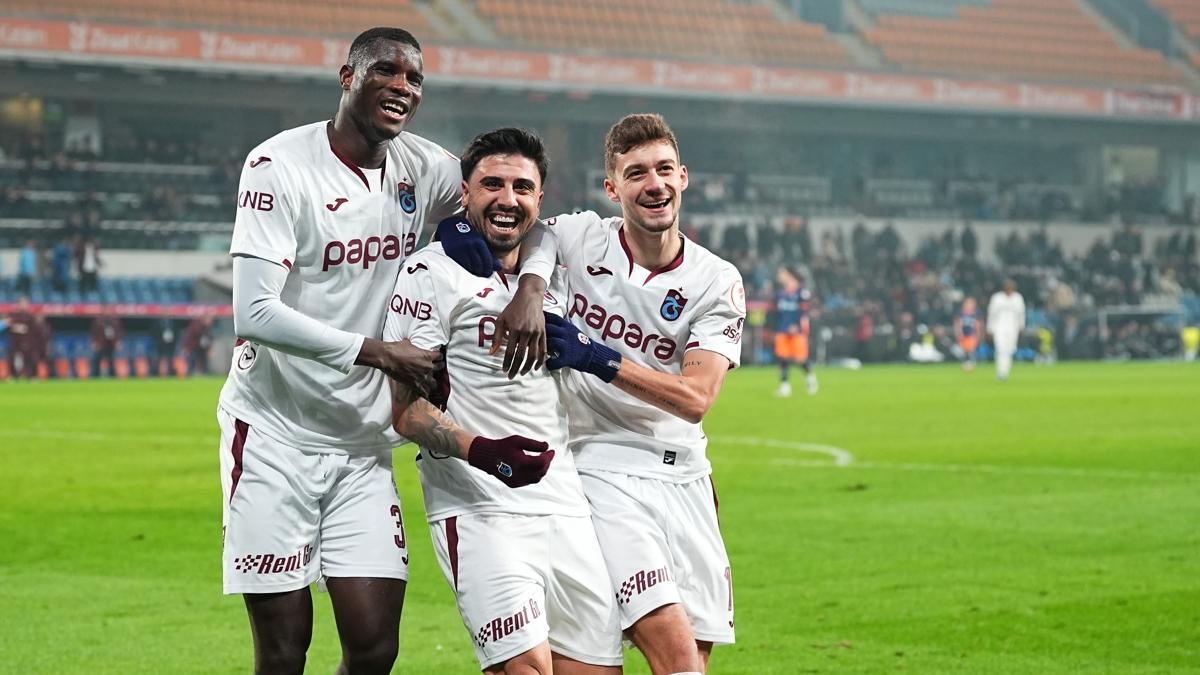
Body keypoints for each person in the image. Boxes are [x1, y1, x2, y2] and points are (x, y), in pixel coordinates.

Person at [215, 27, 553, 675]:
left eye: (414, 78)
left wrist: (531, 288)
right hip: (274, 435)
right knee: (284, 651)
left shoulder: (424, 168)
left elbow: (522, 214)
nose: (402, 86)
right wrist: (380, 352)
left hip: (363, 446)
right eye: (386, 71)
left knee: (375, 649)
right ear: (348, 77)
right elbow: (253, 313)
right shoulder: (277, 166)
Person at [384, 128, 621, 674]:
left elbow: (547, 239)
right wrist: (486, 453)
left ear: (540, 198)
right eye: (492, 184)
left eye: (522, 187)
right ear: (465, 192)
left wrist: (531, 287)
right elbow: (406, 411)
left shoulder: (555, 269)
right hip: (478, 507)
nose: (507, 199)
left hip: (565, 504)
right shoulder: (428, 274)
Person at [524, 113, 744, 674]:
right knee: (677, 657)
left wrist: (596, 357)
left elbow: (696, 398)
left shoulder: (716, 280)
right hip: (602, 467)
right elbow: (527, 228)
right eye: (637, 173)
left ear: (684, 177)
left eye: (664, 169)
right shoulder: (580, 237)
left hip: (687, 474)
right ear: (612, 188)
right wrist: (534, 288)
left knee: (692, 659)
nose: (655, 184)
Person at [772, 266, 817, 396]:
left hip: (797, 330)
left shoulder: (802, 292)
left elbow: (805, 311)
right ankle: (785, 387)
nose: (779, 276)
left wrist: (796, 325)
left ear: (790, 274)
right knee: (782, 357)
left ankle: (810, 378)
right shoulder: (780, 293)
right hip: (782, 329)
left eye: (782, 273)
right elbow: (777, 313)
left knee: (799, 359)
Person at [987, 278, 1025, 381]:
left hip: (1013, 327)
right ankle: (1001, 372)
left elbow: (1021, 314)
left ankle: (1005, 371)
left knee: (1010, 349)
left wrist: (1021, 326)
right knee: (1000, 349)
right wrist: (990, 328)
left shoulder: (1018, 298)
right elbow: (992, 314)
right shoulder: (997, 298)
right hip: (999, 326)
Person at [6, 296, 36, 379]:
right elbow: (8, 326)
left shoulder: (30, 317)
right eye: (23, 303)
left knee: (28, 358)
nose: (24, 305)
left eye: (26, 303)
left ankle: (30, 375)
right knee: (13, 358)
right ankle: (13, 375)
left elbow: (32, 330)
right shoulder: (13, 315)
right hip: (15, 341)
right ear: (19, 304)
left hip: (27, 341)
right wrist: (17, 328)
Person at [90, 307, 123, 378]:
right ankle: (96, 376)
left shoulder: (115, 321)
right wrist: (94, 342)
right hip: (101, 343)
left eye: (109, 310)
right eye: (106, 310)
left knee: (111, 360)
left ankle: (112, 375)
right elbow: (94, 333)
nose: (107, 312)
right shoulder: (98, 320)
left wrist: (118, 342)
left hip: (110, 343)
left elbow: (118, 332)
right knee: (97, 360)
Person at [953, 296, 982, 371]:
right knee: (964, 350)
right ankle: (966, 363)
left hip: (972, 334)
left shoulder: (976, 313)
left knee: (971, 349)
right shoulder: (960, 313)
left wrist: (978, 334)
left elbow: (978, 325)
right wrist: (959, 333)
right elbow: (957, 324)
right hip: (964, 334)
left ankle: (971, 363)